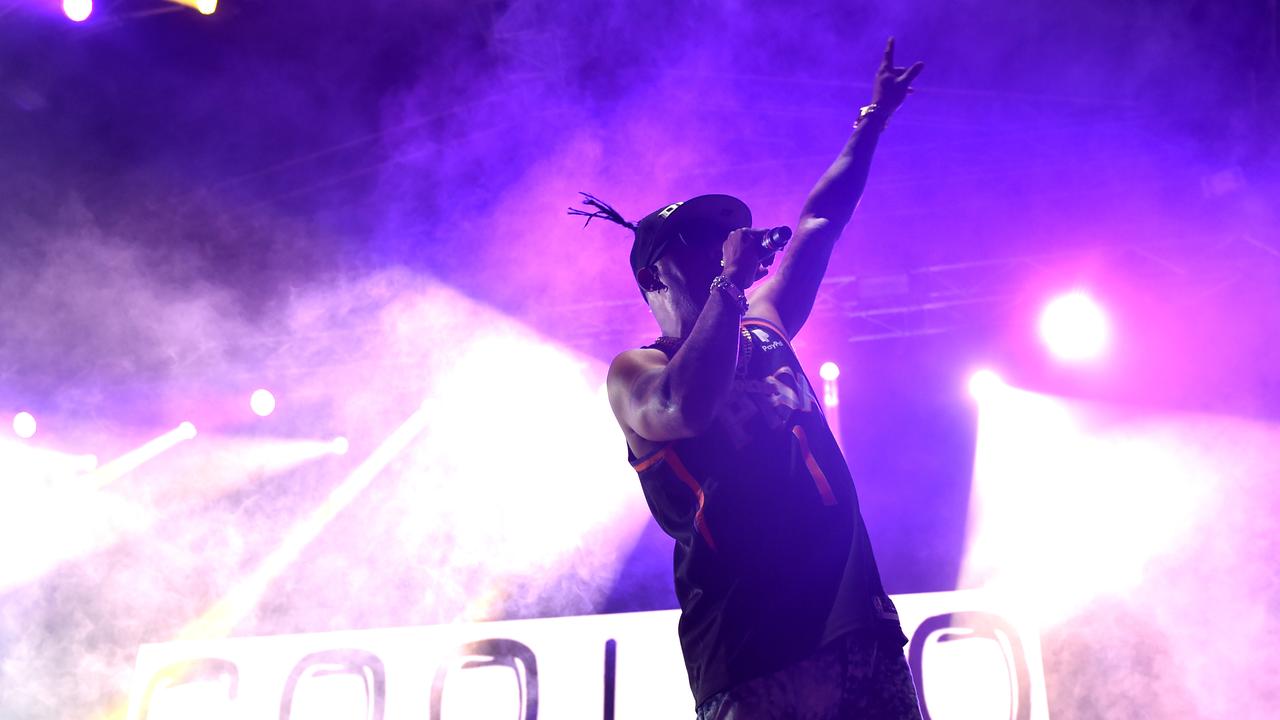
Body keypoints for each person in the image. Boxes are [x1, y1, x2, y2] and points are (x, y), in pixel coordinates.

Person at [578, 38, 925, 720]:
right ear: (654, 276)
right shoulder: (635, 370)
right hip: (753, 652)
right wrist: (729, 285)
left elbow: (820, 221)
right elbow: (683, 407)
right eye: (699, 243)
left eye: (724, 237)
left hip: (854, 625)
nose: (718, 247)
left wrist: (872, 120)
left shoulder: (760, 322)